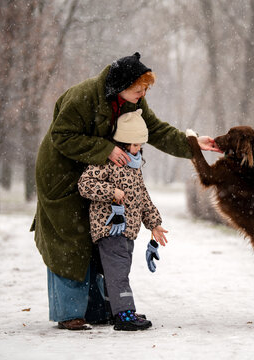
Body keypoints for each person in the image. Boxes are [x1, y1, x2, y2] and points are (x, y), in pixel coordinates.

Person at [30, 52, 219, 330]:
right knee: (70, 241)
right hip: (63, 174)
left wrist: (192, 143)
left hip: (99, 172)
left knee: (98, 237)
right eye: (138, 89)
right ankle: (70, 313)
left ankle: (96, 309)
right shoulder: (82, 97)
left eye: (146, 89)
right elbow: (62, 136)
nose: (143, 94)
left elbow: (154, 130)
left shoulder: (132, 101)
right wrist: (105, 149)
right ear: (119, 85)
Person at [78, 109, 165, 331]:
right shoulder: (107, 161)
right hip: (110, 227)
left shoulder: (135, 167)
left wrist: (154, 223)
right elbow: (84, 185)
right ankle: (124, 314)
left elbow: (143, 198)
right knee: (118, 270)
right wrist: (111, 191)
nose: (137, 149)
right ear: (122, 142)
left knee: (117, 270)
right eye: (133, 144)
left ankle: (111, 309)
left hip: (129, 229)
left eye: (140, 144)